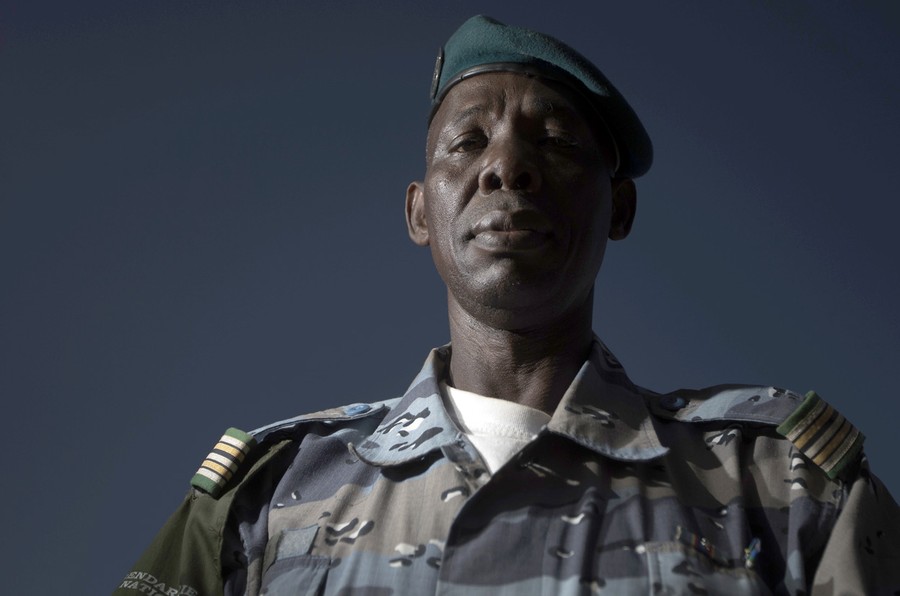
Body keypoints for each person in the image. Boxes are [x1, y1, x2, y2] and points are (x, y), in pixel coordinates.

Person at [115, 15, 899, 596]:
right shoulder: (264, 498)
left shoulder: (786, 486)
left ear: (619, 208)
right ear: (420, 213)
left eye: (553, 140)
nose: (507, 166)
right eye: (468, 142)